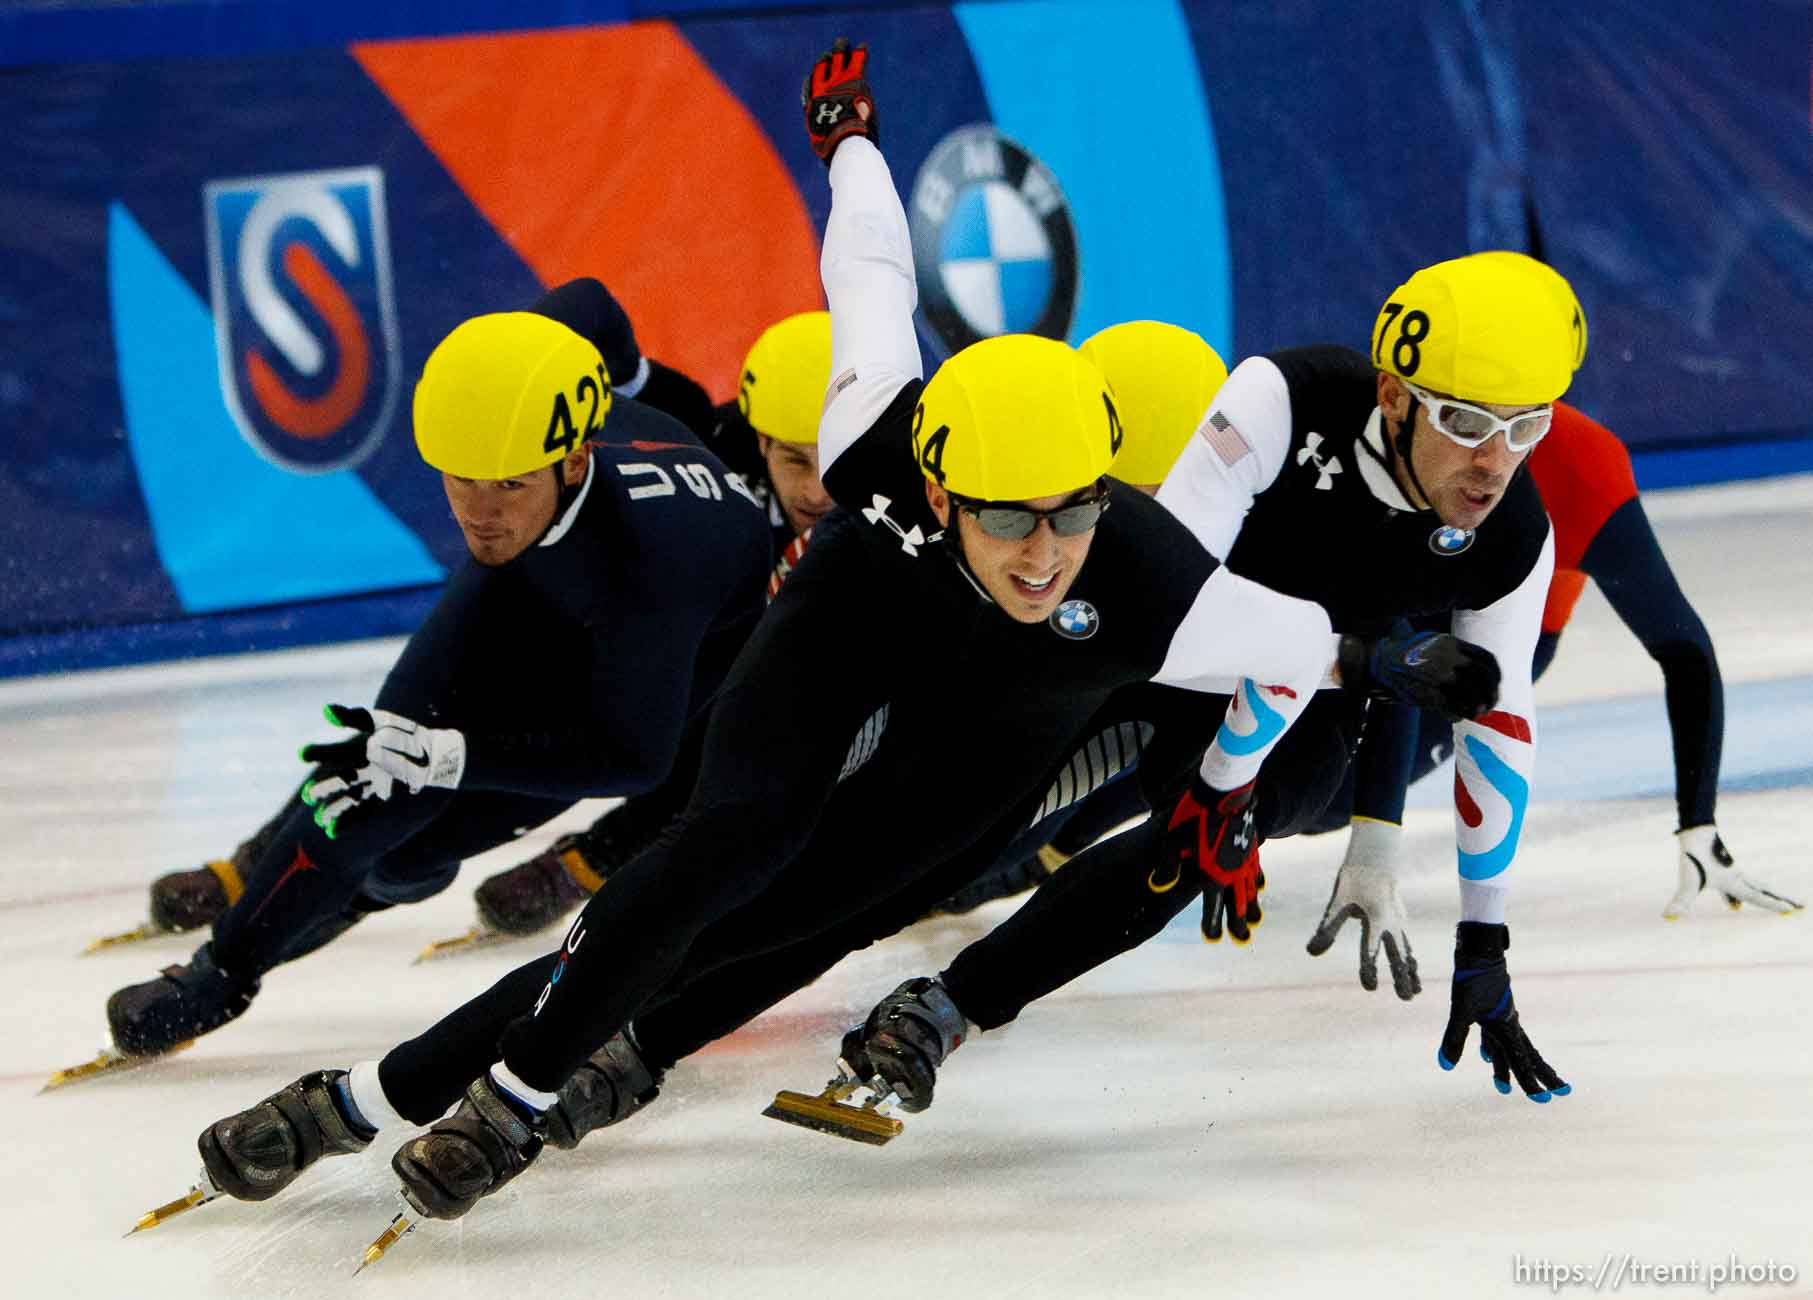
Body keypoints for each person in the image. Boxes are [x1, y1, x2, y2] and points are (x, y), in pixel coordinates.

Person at [181, 39, 1498, 1229]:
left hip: (993, 739)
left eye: (1075, 515)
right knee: (715, 857)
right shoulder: (876, 431)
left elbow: (1292, 641)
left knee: (809, 915)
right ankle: (436, 1098)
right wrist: (849, 139)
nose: (1044, 553)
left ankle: (552, 1069)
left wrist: (1389, 673)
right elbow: (866, 259)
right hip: (848, 638)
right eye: (1006, 520)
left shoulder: (1149, 579)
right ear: (934, 486)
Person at [829, 240, 1592, 1116]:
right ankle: (694, 954)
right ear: (1392, 394)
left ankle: (942, 1010)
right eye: (1464, 423)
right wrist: (1228, 768)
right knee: (939, 830)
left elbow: (1498, 722)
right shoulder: (1284, 399)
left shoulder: (1514, 537)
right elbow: (1168, 607)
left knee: (1192, 853)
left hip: (1304, 699)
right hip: (1167, 642)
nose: (1494, 462)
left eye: (1525, 426)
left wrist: (1483, 939)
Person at [99, 280, 774, 1062]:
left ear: (574, 459)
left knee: (415, 844)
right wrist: (415, 752)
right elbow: (586, 302)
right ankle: (221, 974)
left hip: (664, 650)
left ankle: (384, 885)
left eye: (508, 485)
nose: (480, 513)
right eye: (461, 481)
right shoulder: (520, 421)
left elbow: (633, 757)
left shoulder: (654, 561)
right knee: (370, 775)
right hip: (537, 577)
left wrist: (457, 757)